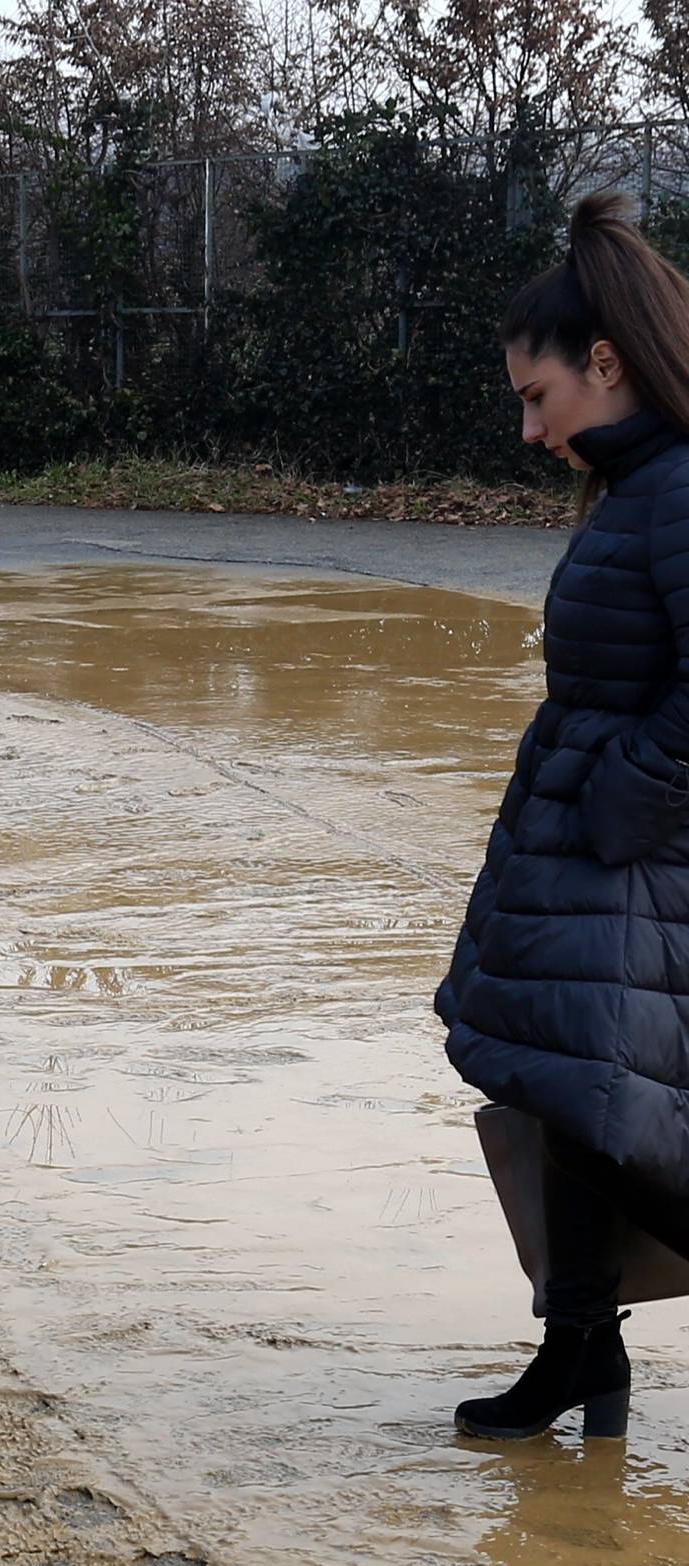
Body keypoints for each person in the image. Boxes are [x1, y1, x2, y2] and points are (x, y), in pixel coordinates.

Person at [438, 190, 689, 1440]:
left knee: (620, 1118)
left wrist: (615, 804)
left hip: (637, 856)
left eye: (541, 400)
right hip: (593, 844)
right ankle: (581, 1350)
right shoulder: (638, 487)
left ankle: (585, 1348)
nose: (533, 432)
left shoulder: (683, 486)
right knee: (559, 1089)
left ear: (608, 361)